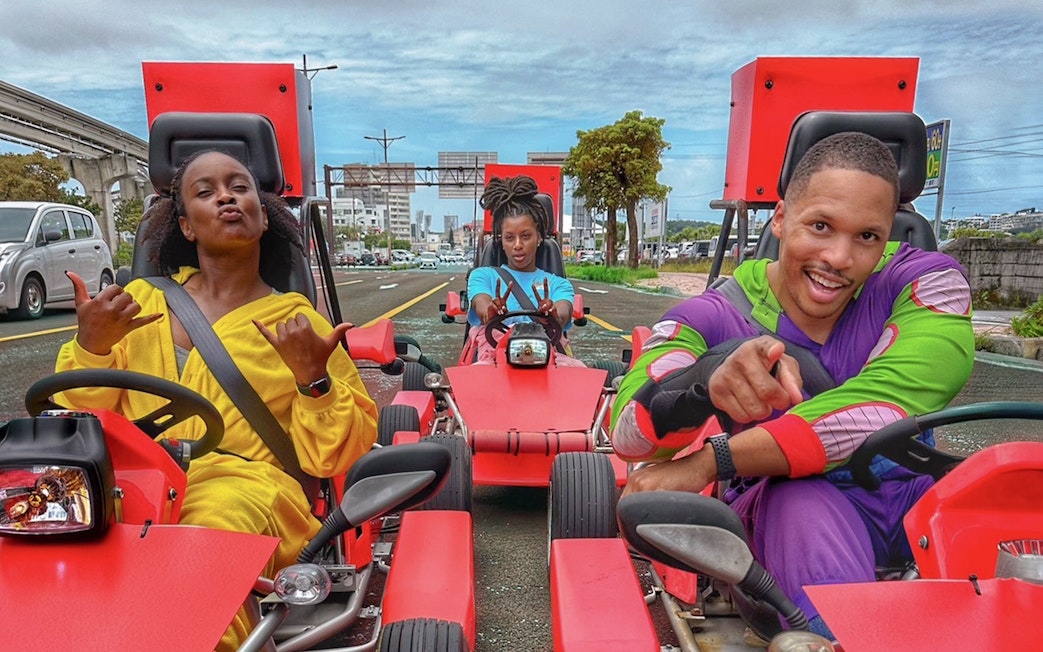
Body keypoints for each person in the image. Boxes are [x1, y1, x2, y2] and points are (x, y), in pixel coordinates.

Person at [610, 132, 974, 639]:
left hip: (915, 501)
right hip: (791, 516)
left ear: (887, 235)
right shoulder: (711, 314)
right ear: (780, 218)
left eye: (867, 236)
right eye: (820, 226)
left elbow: (883, 408)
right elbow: (629, 437)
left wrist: (711, 461)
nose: (839, 257)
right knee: (800, 501)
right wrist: (704, 380)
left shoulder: (929, 283)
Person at [55, 150, 378, 649]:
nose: (226, 197)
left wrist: (314, 381)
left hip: (247, 490)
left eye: (239, 187)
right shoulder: (136, 305)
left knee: (199, 568)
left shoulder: (299, 323)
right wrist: (91, 346)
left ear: (263, 216)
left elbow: (334, 457)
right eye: (205, 192)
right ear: (186, 226)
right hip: (130, 489)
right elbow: (76, 423)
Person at [467, 175, 583, 366]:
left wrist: (552, 315)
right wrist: (491, 312)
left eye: (526, 236)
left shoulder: (558, 284)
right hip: (493, 359)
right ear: (501, 241)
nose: (518, 245)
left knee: (582, 374)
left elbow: (563, 312)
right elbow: (482, 305)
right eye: (510, 238)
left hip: (547, 359)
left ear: (539, 237)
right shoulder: (482, 276)